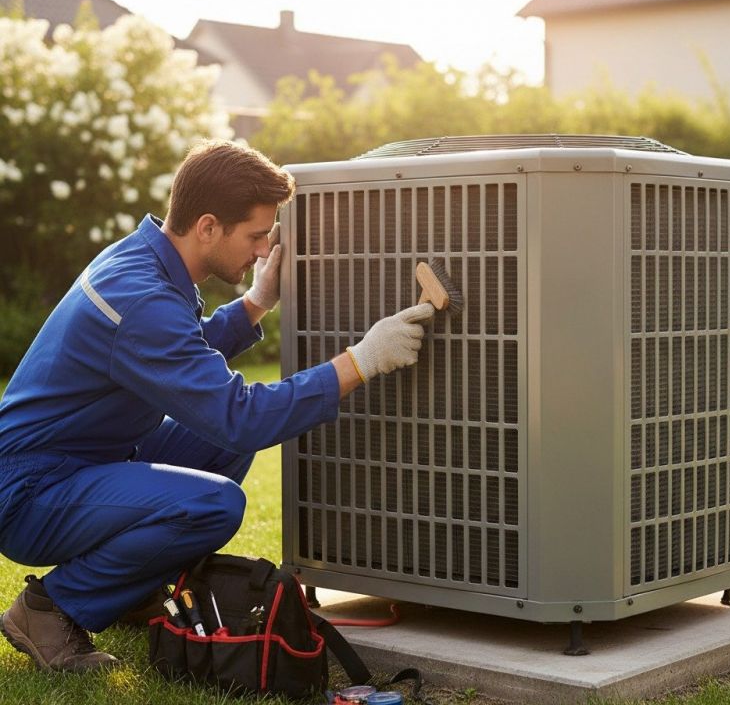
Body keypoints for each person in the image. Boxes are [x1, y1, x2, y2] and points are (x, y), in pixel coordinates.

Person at [0, 139, 433, 672]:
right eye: (255, 237)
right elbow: (239, 415)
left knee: (216, 444)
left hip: (87, 459)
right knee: (214, 502)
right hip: (30, 491)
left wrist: (255, 303)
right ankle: (50, 608)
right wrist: (361, 360)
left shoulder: (144, 263)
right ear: (207, 226)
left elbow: (180, 353)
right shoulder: (141, 299)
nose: (260, 251)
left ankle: (132, 588)